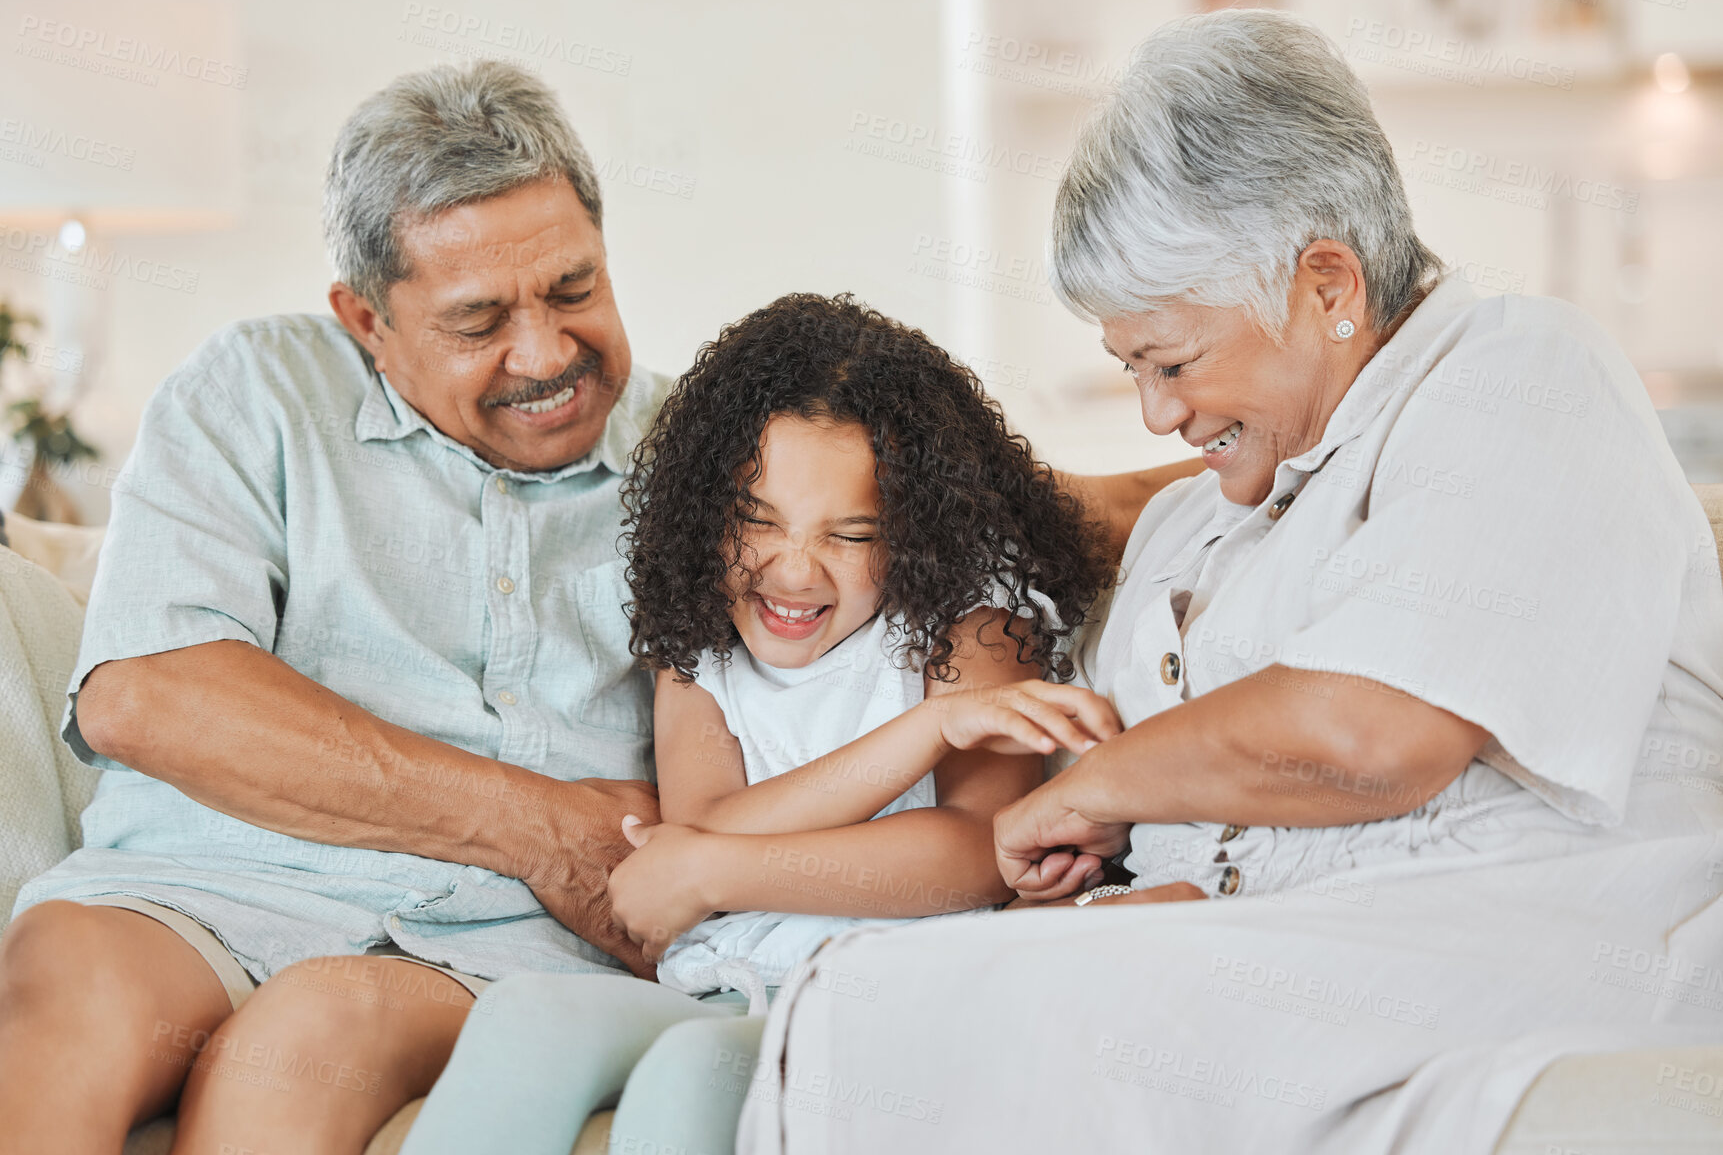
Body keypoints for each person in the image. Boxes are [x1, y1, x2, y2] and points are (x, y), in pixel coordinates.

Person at [0, 61, 1193, 1153]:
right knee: (66, 1008)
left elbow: (984, 495)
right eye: (477, 320)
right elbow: (148, 698)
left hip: (496, 944)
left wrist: (1287, 433)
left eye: (573, 287)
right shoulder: (254, 390)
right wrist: (537, 825)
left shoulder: (710, 453)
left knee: (301, 1043)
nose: (543, 352)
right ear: (367, 319)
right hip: (204, 885)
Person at [736, 11, 1723, 1155]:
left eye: (1174, 361)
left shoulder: (1521, 373)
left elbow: (1369, 730)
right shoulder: (1183, 527)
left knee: (914, 1006)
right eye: (1130, 369)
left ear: (1325, 283)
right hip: (1313, 968)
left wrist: (1089, 790)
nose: (1158, 411)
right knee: (877, 993)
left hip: (1543, 937)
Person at [402, 292, 1119, 1154]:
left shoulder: (967, 627)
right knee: (526, 1016)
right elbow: (703, 827)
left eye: (850, 534)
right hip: (724, 974)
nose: (791, 570)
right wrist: (918, 739)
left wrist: (711, 870)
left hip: (882, 985)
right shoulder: (697, 641)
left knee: (689, 1074)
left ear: (922, 536)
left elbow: (975, 855)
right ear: (706, 512)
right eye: (755, 520)